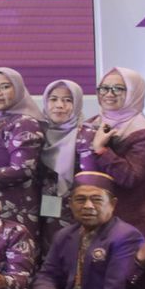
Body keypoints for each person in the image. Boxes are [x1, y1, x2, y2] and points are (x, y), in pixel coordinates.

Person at [31, 172, 145, 289]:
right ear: (70, 204)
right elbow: (47, 274)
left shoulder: (125, 236)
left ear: (113, 204)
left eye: (97, 199)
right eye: (80, 199)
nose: (88, 206)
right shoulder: (65, 235)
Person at [74, 67, 145, 237]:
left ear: (134, 92)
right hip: (95, 217)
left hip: (132, 219)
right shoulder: (91, 124)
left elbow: (130, 177)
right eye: (104, 88)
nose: (109, 94)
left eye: (118, 88)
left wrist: (101, 150)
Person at [0, 67, 46, 237]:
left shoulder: (24, 123)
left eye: (5, 87)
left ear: (19, 89)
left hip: (15, 206)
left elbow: (23, 169)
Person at [37, 79, 83, 249]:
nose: (59, 105)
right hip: (39, 208)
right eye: (53, 99)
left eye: (68, 100)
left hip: (74, 209)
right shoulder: (36, 132)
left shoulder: (86, 135)